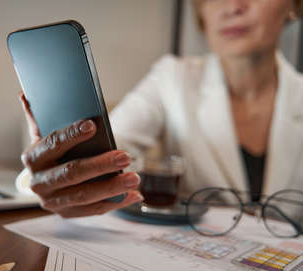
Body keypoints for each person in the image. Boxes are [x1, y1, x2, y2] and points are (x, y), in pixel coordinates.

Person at [18, 0, 303, 218]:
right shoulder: (172, 78)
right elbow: (108, 152)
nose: (231, 7)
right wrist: (53, 171)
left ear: (293, 5)